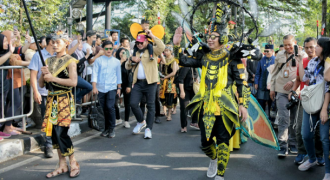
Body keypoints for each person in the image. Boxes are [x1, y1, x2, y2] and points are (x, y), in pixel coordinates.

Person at [172, 4, 263, 178]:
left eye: (214, 37)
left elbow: (241, 83)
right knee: (205, 143)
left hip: (226, 106)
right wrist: (176, 45)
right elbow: (182, 60)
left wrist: (242, 105)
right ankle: (213, 158)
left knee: (222, 142)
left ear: (222, 38)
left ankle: (220, 174)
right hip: (206, 105)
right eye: (209, 37)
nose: (210, 39)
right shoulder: (203, 56)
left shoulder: (232, 56)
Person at [39, 33, 80, 178]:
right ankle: (62, 165)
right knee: (53, 133)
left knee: (61, 132)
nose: (54, 45)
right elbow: (42, 84)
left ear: (66, 43)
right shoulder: (48, 60)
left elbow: (73, 82)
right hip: (51, 100)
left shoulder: (70, 61)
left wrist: (53, 77)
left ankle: (73, 162)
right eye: (53, 42)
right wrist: (43, 75)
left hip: (63, 99)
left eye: (58, 42)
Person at [297, 37, 330, 178]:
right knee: (306, 134)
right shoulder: (313, 62)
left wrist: (324, 109)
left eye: (317, 46)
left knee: (324, 138)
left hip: (326, 106)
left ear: (325, 48)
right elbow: (305, 79)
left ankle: (328, 172)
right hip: (311, 103)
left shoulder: (328, 63)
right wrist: (298, 59)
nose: (314, 48)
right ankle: (312, 159)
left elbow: (328, 85)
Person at [288, 37, 324, 165]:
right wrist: (293, 91)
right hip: (306, 100)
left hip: (322, 101)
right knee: (301, 129)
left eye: (312, 47)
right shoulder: (305, 62)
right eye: (307, 47)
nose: (309, 50)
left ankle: (319, 156)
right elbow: (300, 79)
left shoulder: (325, 62)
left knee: (320, 131)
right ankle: (302, 153)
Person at [270, 35, 307, 157]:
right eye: (285, 44)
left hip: (296, 91)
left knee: (294, 120)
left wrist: (293, 83)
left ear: (295, 43)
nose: (287, 47)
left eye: (289, 44)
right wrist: (272, 88)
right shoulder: (280, 55)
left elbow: (305, 74)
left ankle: (293, 143)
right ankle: (282, 145)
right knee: (283, 118)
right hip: (281, 90)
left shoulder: (302, 55)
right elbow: (274, 72)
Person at [125, 32, 165, 139]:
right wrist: (130, 59)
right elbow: (127, 67)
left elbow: (162, 46)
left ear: (146, 42)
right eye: (138, 42)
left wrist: (152, 35)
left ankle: (148, 129)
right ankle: (141, 121)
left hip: (151, 82)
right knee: (133, 103)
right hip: (138, 83)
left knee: (150, 105)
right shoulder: (135, 53)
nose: (139, 44)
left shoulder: (153, 50)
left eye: (141, 42)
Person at [28, 34, 55, 158]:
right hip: (44, 93)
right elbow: (33, 75)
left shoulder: (59, 56)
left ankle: (56, 141)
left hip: (58, 93)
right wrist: (36, 91)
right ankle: (48, 144)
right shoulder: (38, 55)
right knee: (47, 120)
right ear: (51, 43)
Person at [92, 41, 122, 138]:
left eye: (110, 48)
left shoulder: (116, 62)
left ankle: (112, 128)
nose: (108, 50)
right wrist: (94, 87)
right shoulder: (98, 60)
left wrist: (119, 87)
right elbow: (94, 74)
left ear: (113, 49)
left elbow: (118, 75)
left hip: (112, 87)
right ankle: (106, 128)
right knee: (103, 109)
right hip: (100, 88)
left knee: (110, 107)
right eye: (106, 48)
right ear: (103, 49)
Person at [255, 44, 275, 116]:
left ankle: (271, 121)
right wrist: (256, 83)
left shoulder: (275, 60)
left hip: (271, 87)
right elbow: (258, 73)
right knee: (261, 105)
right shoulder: (261, 60)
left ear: (272, 51)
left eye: (268, 51)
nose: (266, 53)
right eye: (265, 51)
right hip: (261, 86)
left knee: (271, 105)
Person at [159, 45, 178, 121]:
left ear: (171, 51)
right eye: (165, 51)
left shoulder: (174, 60)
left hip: (171, 81)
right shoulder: (163, 60)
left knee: (170, 96)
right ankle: (164, 111)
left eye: (167, 51)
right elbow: (161, 69)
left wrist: (165, 77)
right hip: (163, 81)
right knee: (162, 96)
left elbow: (174, 72)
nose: (166, 52)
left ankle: (169, 114)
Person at [116, 48, 131, 128]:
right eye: (121, 52)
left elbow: (130, 74)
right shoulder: (116, 62)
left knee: (127, 103)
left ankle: (126, 120)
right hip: (117, 85)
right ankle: (118, 118)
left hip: (126, 84)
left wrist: (129, 85)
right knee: (114, 102)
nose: (122, 54)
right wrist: (121, 61)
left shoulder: (128, 63)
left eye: (124, 52)